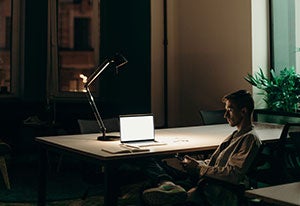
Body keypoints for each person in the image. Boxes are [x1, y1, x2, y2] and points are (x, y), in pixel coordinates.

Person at [141, 89, 262, 206]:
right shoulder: (235, 135)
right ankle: (168, 184)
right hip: (205, 175)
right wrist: (195, 163)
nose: (225, 115)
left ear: (244, 111)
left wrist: (199, 168)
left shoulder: (249, 139)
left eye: (229, 110)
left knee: (148, 183)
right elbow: (217, 163)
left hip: (213, 185)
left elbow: (233, 174)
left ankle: (170, 187)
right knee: (150, 160)